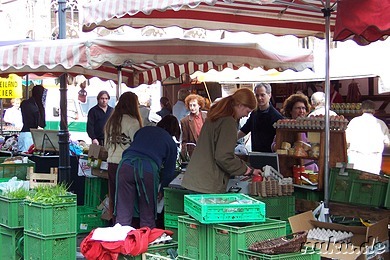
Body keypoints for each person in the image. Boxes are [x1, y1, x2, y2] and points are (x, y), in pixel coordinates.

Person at [181, 88, 262, 194]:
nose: (246, 115)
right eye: (248, 111)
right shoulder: (228, 122)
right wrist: (248, 170)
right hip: (207, 183)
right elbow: (223, 156)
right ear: (240, 105)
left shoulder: (215, 117)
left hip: (197, 179)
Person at [115, 115, 180, 228]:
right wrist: (162, 190)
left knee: (123, 209)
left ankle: (119, 240)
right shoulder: (170, 143)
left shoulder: (143, 130)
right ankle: (146, 240)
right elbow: (169, 172)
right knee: (147, 211)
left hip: (125, 165)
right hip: (147, 168)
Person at [104, 92, 143, 222]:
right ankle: (126, 225)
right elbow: (138, 145)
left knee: (114, 197)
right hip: (127, 164)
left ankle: (115, 222)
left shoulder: (111, 121)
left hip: (111, 163)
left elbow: (106, 145)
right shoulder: (133, 122)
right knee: (127, 198)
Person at [272, 93, 318, 172]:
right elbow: (274, 146)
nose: (301, 111)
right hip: (291, 169)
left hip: (310, 170)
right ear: (290, 111)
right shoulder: (286, 127)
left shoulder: (311, 127)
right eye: (298, 108)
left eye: (303, 108)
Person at [346, 100, 389, 175]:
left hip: (356, 157)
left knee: (355, 180)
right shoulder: (381, 123)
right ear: (374, 110)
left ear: (362, 109)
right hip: (374, 158)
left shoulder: (354, 121)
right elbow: (388, 142)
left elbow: (347, 140)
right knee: (371, 181)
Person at [237, 83, 284, 152]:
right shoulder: (254, 113)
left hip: (270, 155)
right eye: (257, 95)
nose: (259, 98)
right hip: (255, 153)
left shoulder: (276, 117)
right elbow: (244, 130)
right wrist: (230, 140)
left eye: (262, 95)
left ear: (269, 95)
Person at [18, 85, 46, 152]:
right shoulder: (38, 106)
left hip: (22, 133)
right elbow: (42, 124)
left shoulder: (24, 103)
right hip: (31, 135)